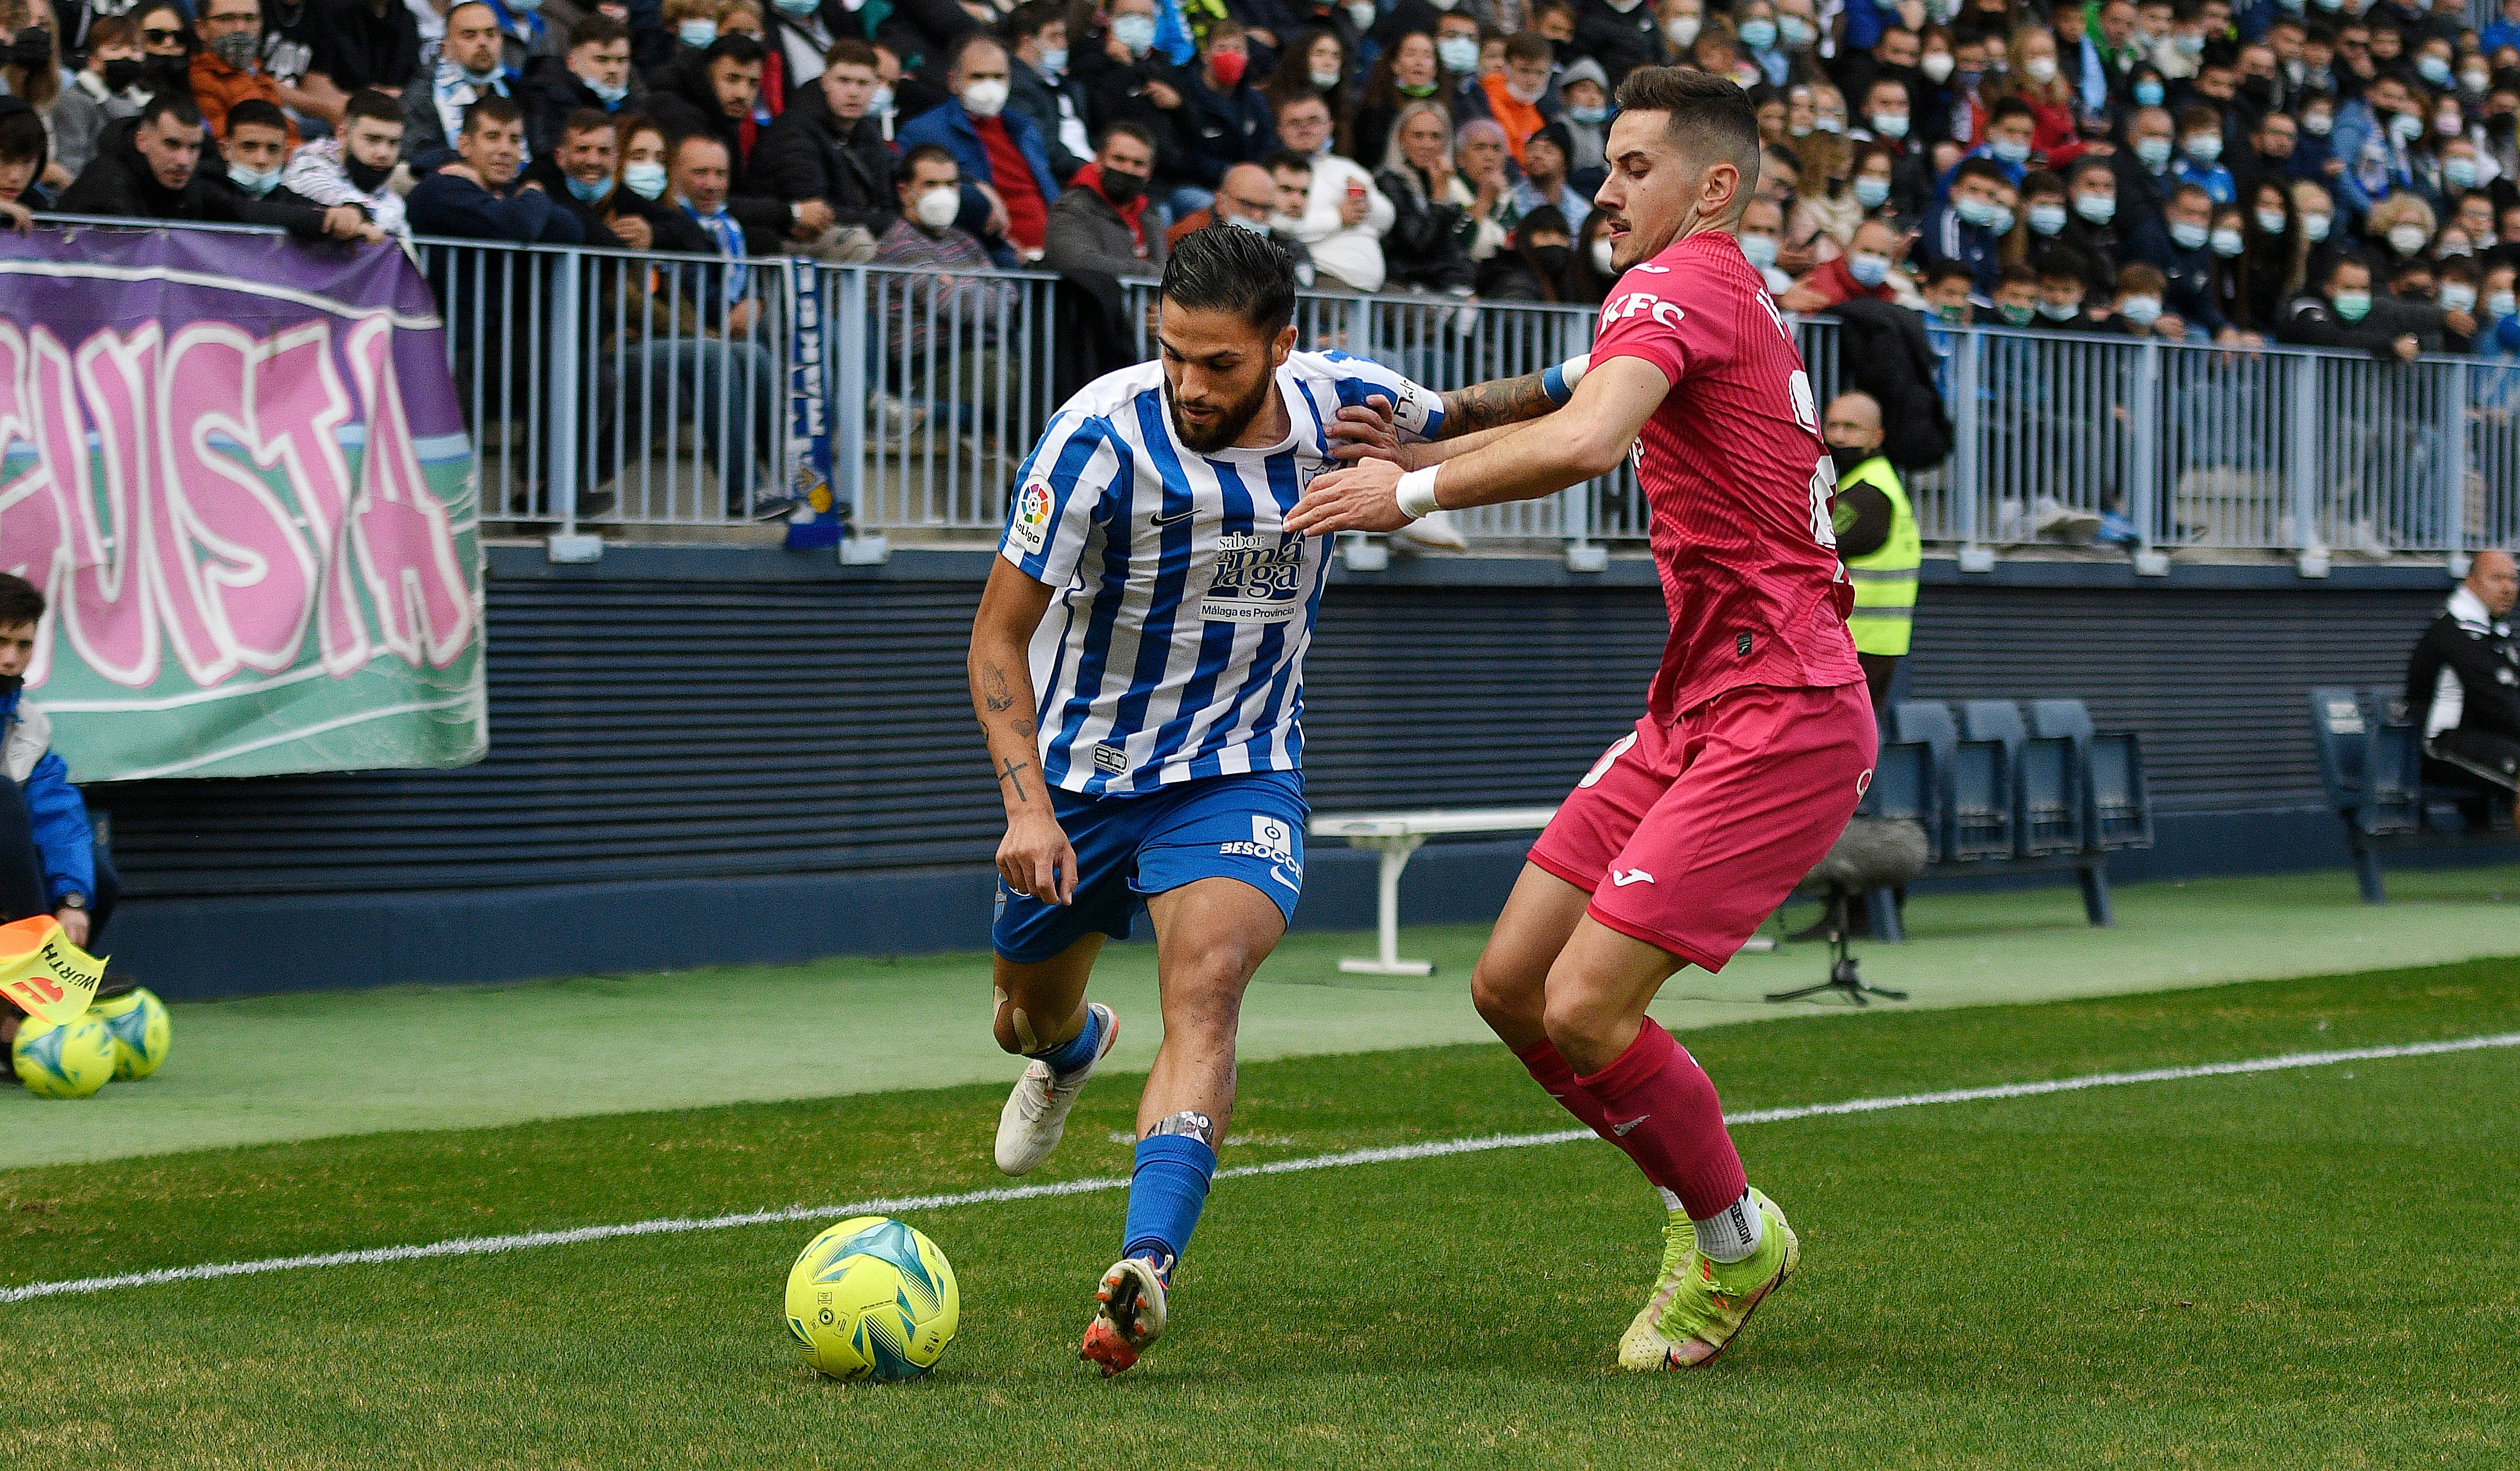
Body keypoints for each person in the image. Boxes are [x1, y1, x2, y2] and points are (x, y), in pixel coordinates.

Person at [1290, 65, 1872, 1373]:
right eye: (1605, 164)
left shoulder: (1680, 282)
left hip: (1782, 708)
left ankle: (1730, 1241)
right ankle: (1704, 1203)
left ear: (1713, 185)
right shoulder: (1716, 289)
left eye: (1631, 168)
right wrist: (1443, 411)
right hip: (1699, 702)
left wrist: (1410, 489)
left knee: (1590, 1010)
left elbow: (1593, 435)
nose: (1602, 191)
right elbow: (1571, 377)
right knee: (1511, 990)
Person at [970, 223, 1557, 1377]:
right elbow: (997, 632)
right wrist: (1026, 807)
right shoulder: (1095, 435)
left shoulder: (1348, 403)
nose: (1189, 382)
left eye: (1219, 362)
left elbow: (1501, 420)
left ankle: (1145, 1263)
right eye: (1173, 353)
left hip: (1239, 769)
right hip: (1081, 780)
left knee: (1209, 982)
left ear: (1283, 344)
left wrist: (1597, 371)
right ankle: (1073, 1044)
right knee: (1019, 1017)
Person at [0, 573, 120, 1059]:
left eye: (23, 644)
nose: (10, 658)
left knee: (96, 881)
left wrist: (72, 897)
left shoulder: (29, 723)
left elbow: (58, 815)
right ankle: (36, 991)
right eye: (0, 641)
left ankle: (23, 1018)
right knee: (2, 796)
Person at [58, 92, 380, 240]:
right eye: (172, 145)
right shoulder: (106, 180)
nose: (183, 161)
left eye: (193, 148)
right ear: (143, 141)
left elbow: (244, 212)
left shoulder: (196, 181)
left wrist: (336, 216)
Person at [898, 31, 1061, 262]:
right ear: (954, 81)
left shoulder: (1025, 129)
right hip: (988, 258)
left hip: (1048, 259)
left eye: (998, 77)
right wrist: (973, 187)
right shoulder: (923, 131)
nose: (989, 86)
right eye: (978, 77)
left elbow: (1049, 192)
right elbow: (918, 196)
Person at [748, 37, 900, 253]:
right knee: (860, 244)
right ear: (825, 82)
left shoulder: (868, 132)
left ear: (875, 86)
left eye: (863, 83)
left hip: (857, 230)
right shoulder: (795, 129)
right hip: (792, 240)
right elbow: (816, 212)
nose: (854, 92)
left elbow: (887, 206)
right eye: (844, 81)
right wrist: (879, 220)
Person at [2406, 550, 2520, 833]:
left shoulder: (2496, 632)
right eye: (2497, 579)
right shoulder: (2454, 632)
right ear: (2471, 583)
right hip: (2440, 743)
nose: (2508, 588)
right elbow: (2497, 706)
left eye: (2513, 579)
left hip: (2485, 739)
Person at [1820, 391, 1917, 710]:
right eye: (1832, 426)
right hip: (1866, 647)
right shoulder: (1865, 482)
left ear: (1877, 437)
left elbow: (1813, 546)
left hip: (1857, 649)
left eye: (1851, 427)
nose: (1838, 436)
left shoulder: (1868, 495)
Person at [405, 95, 584, 241]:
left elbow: (571, 229)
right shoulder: (441, 189)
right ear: (465, 145)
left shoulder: (510, 193)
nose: (505, 150)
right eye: (492, 137)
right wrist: (534, 193)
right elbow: (516, 228)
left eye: (514, 140)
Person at [1272, 91, 1391, 290]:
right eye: (1295, 122)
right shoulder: (1275, 172)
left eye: (1314, 121)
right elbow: (1278, 226)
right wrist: (1338, 217)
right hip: (1321, 280)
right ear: (1280, 130)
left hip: (1372, 286)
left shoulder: (1348, 168)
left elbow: (1388, 219)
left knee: (1427, 316)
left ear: (1330, 127)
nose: (1305, 128)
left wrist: (1365, 204)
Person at [1173, 19, 1277, 216]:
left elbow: (1269, 145)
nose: (1231, 56)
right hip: (1197, 188)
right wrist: (1232, 176)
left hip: (1251, 189)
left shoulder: (1254, 101)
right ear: (1205, 55)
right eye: (1222, 48)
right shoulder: (1185, 96)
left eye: (1238, 49)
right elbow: (1186, 157)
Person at [282, 86, 410, 236]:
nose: (384, 153)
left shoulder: (388, 197)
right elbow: (336, 199)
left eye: (393, 143)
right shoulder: (307, 167)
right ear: (342, 134)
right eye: (373, 140)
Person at [1042, 120, 1164, 278]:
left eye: (1138, 164)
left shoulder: (1150, 215)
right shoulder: (1071, 208)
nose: (1128, 169)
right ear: (1099, 161)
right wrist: (1148, 272)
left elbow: (1164, 270)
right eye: (1119, 159)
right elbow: (1074, 261)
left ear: (1150, 171)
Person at [406, 2, 518, 161]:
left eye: (491, 34)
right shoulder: (422, 98)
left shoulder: (517, 91)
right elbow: (417, 162)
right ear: (446, 48)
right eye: (470, 35)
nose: (483, 43)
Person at [526, 12, 643, 157]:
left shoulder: (635, 109)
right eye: (602, 60)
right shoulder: (546, 100)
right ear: (572, 62)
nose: (613, 70)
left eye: (621, 60)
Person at [52, 14, 150, 182]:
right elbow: (72, 163)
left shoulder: (145, 104)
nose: (127, 55)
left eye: (135, 49)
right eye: (115, 48)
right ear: (93, 60)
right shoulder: (75, 100)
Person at [190, 0, 297, 144]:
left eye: (250, 19)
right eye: (227, 19)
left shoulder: (255, 72)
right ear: (201, 29)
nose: (241, 29)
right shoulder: (201, 80)